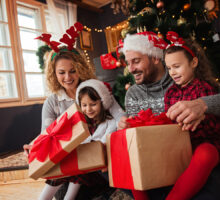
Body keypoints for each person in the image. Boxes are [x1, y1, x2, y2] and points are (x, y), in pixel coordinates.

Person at [118, 32, 220, 200]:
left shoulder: (187, 80)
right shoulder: (135, 94)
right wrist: (126, 126)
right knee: (129, 161)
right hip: (164, 149)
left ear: (155, 58)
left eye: (136, 61)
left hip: (198, 146)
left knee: (206, 162)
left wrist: (203, 106)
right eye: (127, 63)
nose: (131, 69)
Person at [23, 44, 124, 200]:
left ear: (80, 69)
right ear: (54, 74)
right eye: (61, 73)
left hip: (94, 157)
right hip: (68, 161)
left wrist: (124, 122)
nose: (68, 77)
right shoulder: (52, 102)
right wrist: (33, 146)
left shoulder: (93, 90)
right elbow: (46, 134)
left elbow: (118, 114)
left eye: (72, 71)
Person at [162, 31, 220, 200]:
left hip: (205, 144)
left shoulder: (204, 88)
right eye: (169, 68)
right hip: (180, 146)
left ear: (193, 62)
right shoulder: (170, 93)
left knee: (206, 153)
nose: (172, 72)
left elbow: (215, 126)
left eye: (177, 66)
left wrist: (200, 120)